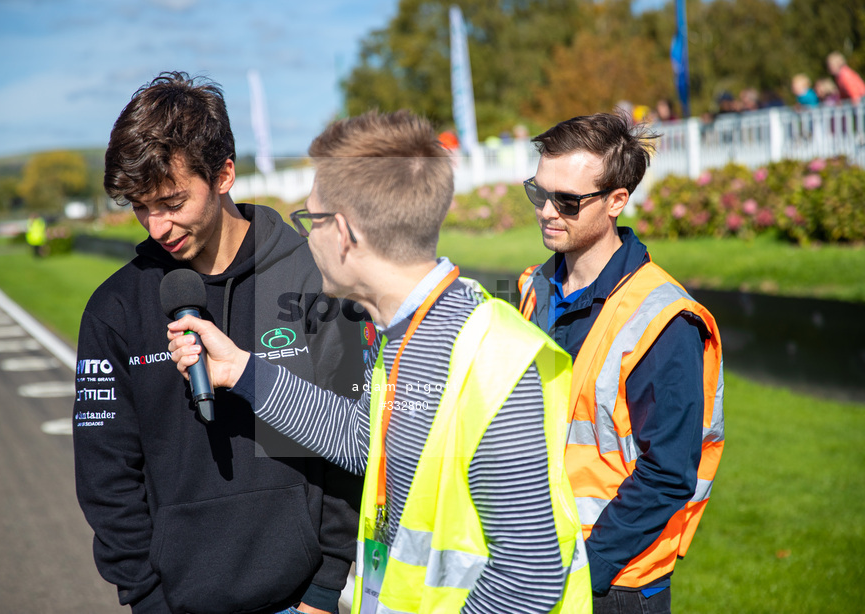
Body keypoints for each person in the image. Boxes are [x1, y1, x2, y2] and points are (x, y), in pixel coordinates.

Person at [167, 110, 592, 613]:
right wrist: (241, 370)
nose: (306, 239)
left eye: (311, 220)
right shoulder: (407, 335)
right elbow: (367, 442)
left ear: (344, 233)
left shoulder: (494, 357)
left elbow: (529, 577)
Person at [73, 72, 365, 614]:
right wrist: (147, 598)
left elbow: (352, 445)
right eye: (141, 206)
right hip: (172, 603)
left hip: (301, 599)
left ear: (224, 173)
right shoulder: (114, 309)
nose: (157, 226)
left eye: (172, 201)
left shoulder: (318, 277)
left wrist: (325, 589)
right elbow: (107, 476)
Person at [516, 112, 724, 613]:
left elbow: (669, 472)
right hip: (538, 566)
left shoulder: (665, 317)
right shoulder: (532, 288)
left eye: (567, 201)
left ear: (616, 201)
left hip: (614, 584)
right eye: (537, 192)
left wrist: (586, 568)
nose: (546, 211)